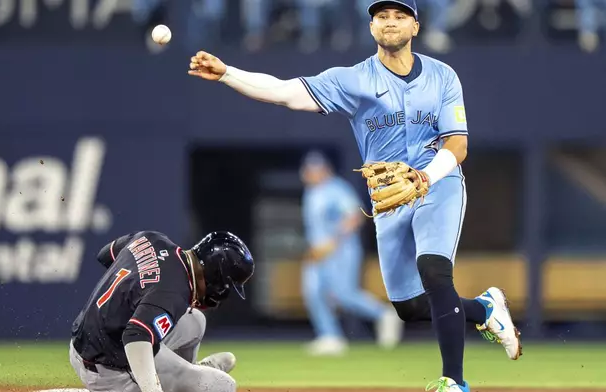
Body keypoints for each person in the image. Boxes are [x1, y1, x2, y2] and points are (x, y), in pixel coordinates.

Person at [188, 1, 523, 390]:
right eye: (382, 16)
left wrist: (424, 178)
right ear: (371, 27)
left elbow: (457, 146)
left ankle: (454, 382)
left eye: (399, 16)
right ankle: (484, 309)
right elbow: (284, 92)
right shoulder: (352, 80)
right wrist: (228, 73)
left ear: (415, 26)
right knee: (409, 308)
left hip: (438, 183)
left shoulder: (443, 76)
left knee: (434, 271)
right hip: (390, 199)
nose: (390, 22)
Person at [69, 230, 255, 392]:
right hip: (109, 368)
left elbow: (105, 255)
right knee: (223, 385)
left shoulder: (152, 238)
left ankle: (185, 375)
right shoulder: (174, 290)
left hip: (88, 342)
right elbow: (135, 336)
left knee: (196, 321)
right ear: (217, 276)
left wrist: (133, 291)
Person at [299, 150, 403, 356]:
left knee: (343, 294)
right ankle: (330, 336)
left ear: (325, 169)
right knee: (313, 291)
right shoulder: (311, 193)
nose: (311, 173)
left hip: (341, 250)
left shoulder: (337, 189)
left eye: (315, 169)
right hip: (318, 253)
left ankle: (384, 314)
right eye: (309, 170)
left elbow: (355, 217)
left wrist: (333, 242)